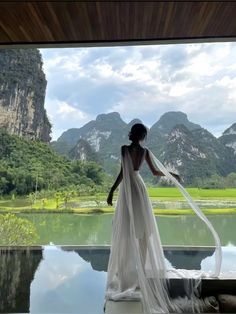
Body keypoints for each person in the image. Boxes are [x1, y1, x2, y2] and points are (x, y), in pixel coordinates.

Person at [104, 123, 222, 313]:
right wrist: (171, 174)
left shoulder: (125, 149)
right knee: (139, 232)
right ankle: (138, 273)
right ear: (142, 135)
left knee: (129, 231)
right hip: (137, 189)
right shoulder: (144, 151)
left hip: (128, 190)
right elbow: (155, 172)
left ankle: (128, 275)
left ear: (132, 134)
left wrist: (111, 191)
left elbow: (122, 173)